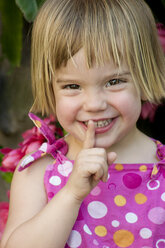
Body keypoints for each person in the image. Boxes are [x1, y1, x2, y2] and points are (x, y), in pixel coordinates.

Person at [1, 0, 165, 247]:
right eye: (72, 86)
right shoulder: (38, 172)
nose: (94, 104)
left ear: (143, 77)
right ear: (50, 88)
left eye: (114, 81)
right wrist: (71, 194)